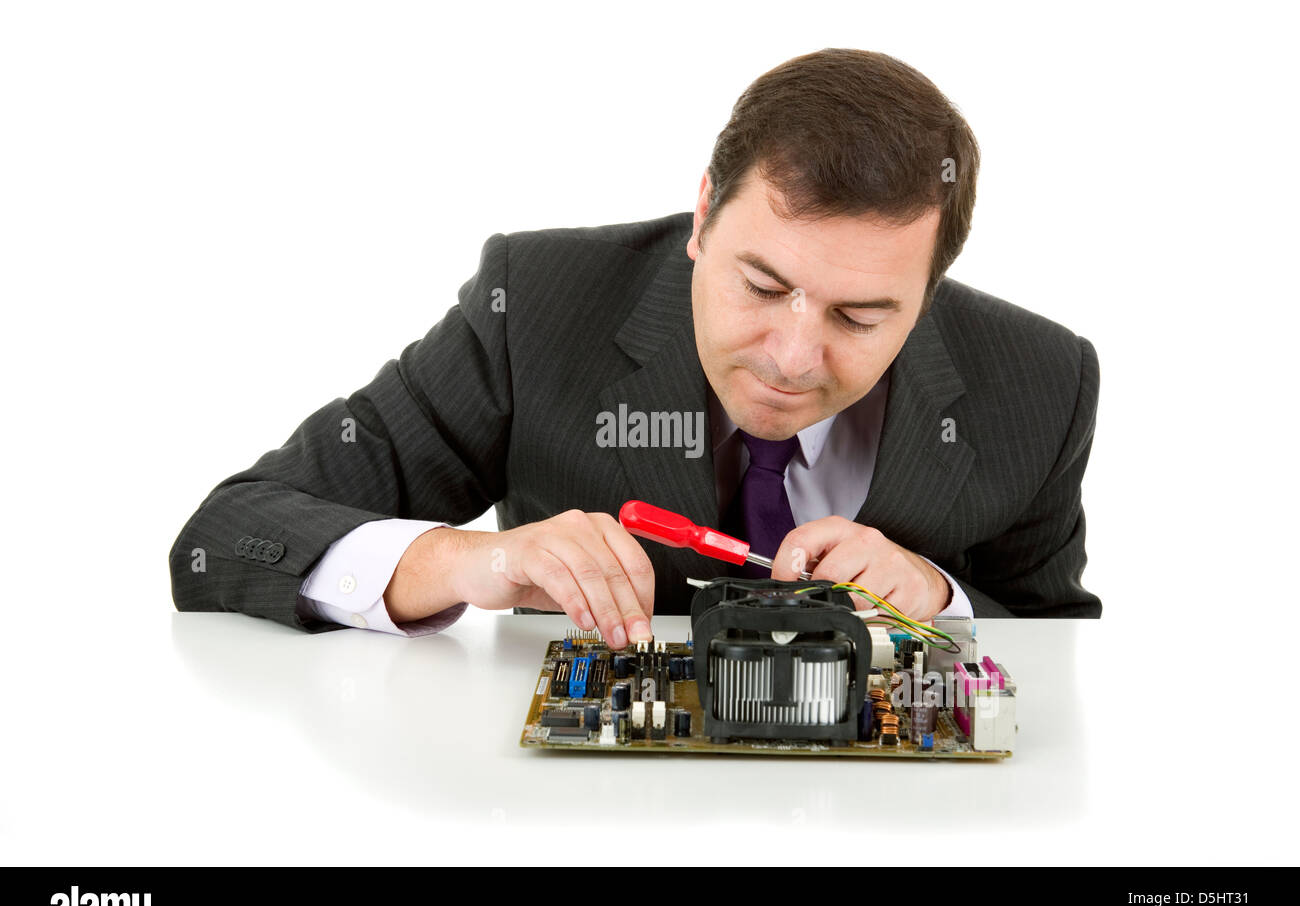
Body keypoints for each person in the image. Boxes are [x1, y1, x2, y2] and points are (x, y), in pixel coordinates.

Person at [170, 48, 1102, 649]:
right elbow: (225, 533)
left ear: (929, 291)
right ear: (702, 216)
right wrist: (463, 563)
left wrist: (942, 602)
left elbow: (1068, 652)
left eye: (860, 319)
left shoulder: (1041, 382)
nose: (790, 356)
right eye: (762, 286)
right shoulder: (536, 307)